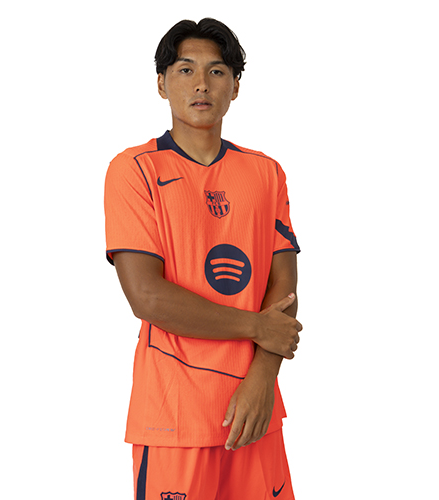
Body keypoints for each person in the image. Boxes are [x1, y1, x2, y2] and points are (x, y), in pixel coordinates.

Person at [104, 18, 302, 500]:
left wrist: (263, 377)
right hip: (175, 417)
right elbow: (147, 297)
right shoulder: (134, 170)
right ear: (161, 83)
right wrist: (257, 328)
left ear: (235, 86)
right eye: (185, 69)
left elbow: (283, 287)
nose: (201, 84)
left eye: (216, 71)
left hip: (255, 411)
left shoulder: (266, 172)